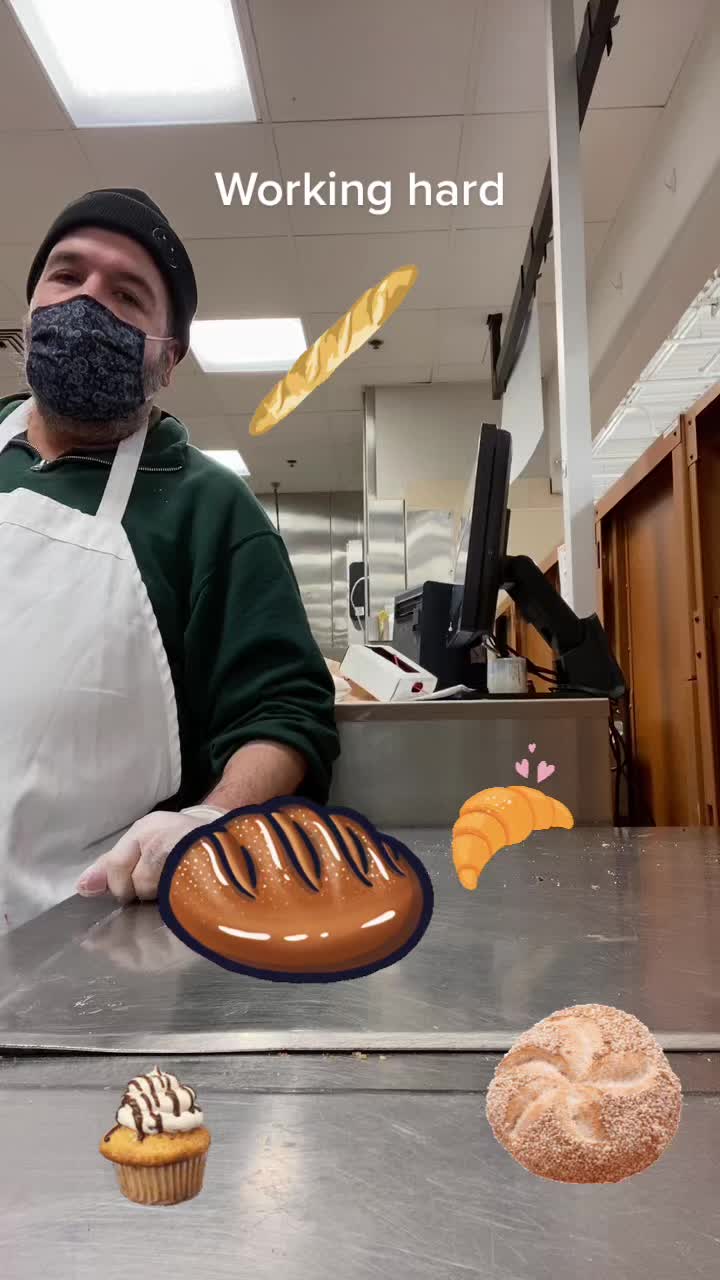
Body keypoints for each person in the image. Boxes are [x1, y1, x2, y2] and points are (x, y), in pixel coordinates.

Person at [0, 187, 339, 932]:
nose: (86, 301)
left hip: (83, 932)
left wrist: (208, 820)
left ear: (169, 356)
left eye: (127, 294)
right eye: (66, 275)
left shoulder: (209, 508)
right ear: (30, 307)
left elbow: (286, 714)